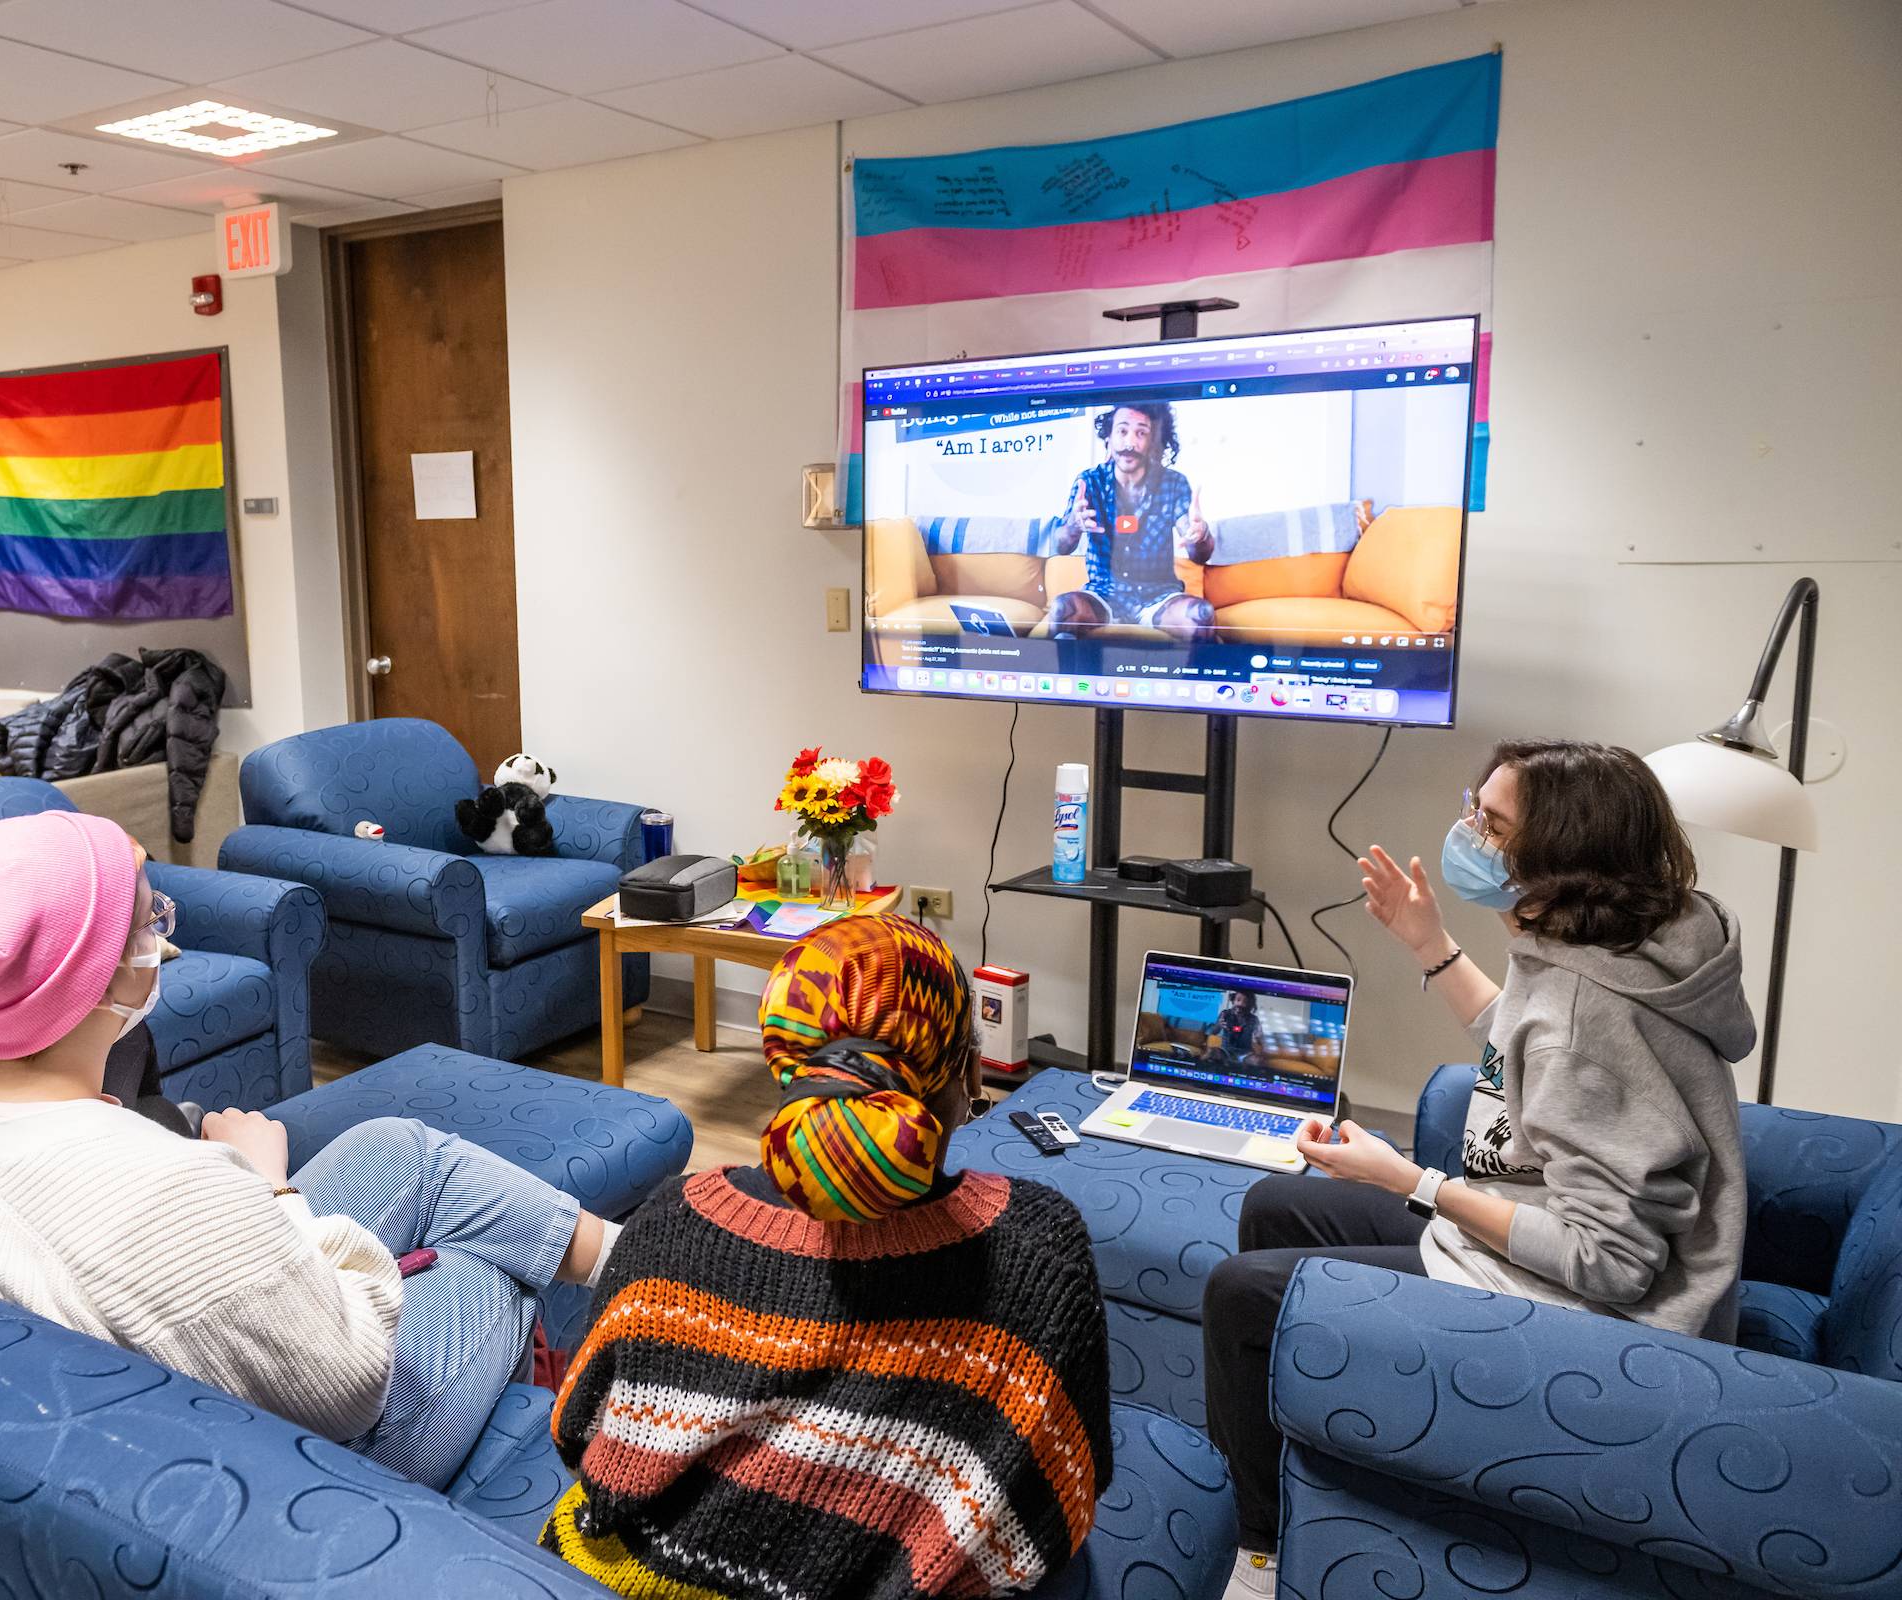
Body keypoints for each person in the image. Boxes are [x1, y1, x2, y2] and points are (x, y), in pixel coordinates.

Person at [0, 809, 620, 1489]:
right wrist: (264, 1186)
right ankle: (642, 1349)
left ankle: (634, 1260)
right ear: (98, 972)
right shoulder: (170, 1183)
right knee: (489, 1263)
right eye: (151, 923)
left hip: (149, 1373)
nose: (161, 938)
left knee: (403, 1149)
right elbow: (347, 1383)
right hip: (309, 1464)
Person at [1201, 740, 1753, 1596]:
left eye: (1491, 824)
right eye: (1475, 807)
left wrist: (1409, 1181)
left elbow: (1610, 1264)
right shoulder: (1613, 946)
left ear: (1561, 860)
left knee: (1242, 1294)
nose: (1467, 832)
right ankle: (1309, 1454)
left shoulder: (1587, 1013)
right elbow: (1524, 1057)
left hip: (1604, 1316)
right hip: (1539, 1229)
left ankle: (1262, 1555)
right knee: (1279, 1206)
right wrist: (1430, 946)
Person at [543, 914, 1114, 1600]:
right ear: (966, 1073)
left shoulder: (670, 1217)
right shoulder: (1039, 1248)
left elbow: (578, 1430)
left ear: (786, 1067)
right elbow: (1066, 1499)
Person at [1044, 401, 1216, 640]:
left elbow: (1199, 552)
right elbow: (1061, 546)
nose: (1130, 443)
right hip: (1103, 595)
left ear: (1153, 441)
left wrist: (1200, 535)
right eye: (1122, 431)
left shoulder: (1173, 483)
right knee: (1064, 609)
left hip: (1159, 597)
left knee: (1202, 614)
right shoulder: (1089, 482)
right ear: (1109, 437)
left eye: (1141, 433)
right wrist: (1073, 526)